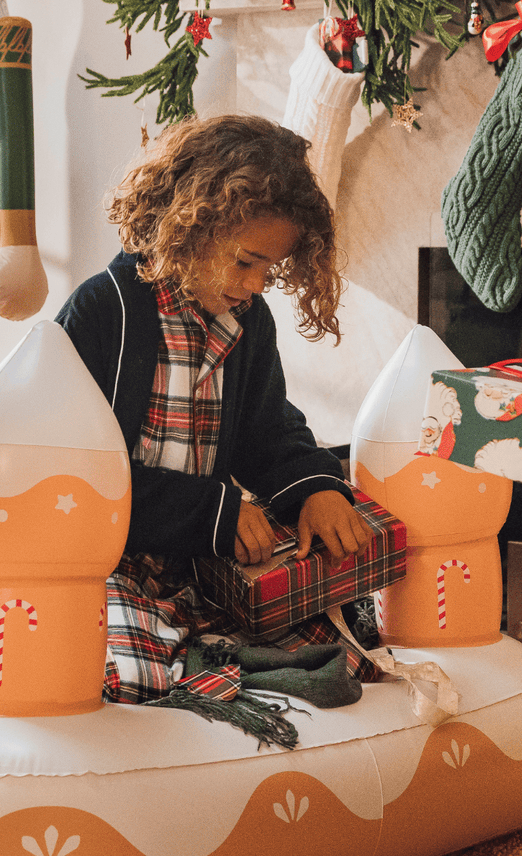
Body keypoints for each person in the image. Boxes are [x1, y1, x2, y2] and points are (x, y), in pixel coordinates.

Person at [56, 114, 373, 702]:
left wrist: (316, 488)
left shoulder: (248, 323)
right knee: (131, 681)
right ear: (192, 227)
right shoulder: (103, 313)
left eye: (269, 271)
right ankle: (195, 661)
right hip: (104, 564)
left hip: (207, 567)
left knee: (350, 657)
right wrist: (212, 513)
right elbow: (70, 479)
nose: (255, 285)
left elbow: (267, 432)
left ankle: (207, 654)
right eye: (246, 261)